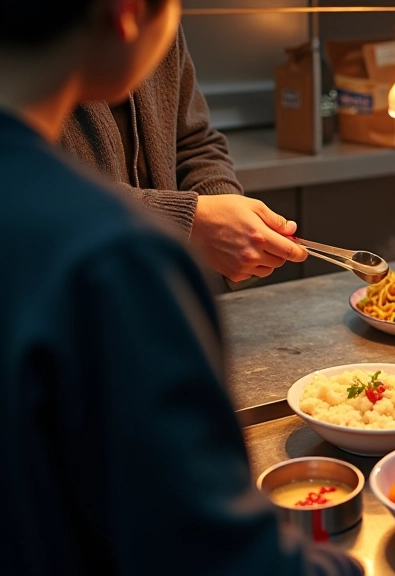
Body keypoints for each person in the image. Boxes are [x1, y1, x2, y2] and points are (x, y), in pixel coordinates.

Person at [0, 0, 361, 573]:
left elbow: (196, 143)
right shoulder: (117, 260)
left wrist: (222, 208)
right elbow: (204, 551)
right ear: (126, 12)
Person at [60, 26, 307, 284]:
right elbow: (28, 194)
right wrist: (190, 222)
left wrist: (224, 218)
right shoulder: (36, 43)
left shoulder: (162, 23)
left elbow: (193, 141)